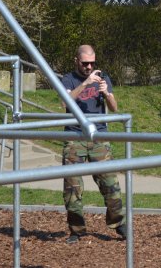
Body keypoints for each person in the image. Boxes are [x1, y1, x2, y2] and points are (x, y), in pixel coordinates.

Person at [61, 44, 126, 243]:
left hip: (99, 137)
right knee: (73, 188)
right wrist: (86, 83)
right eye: (85, 63)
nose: (89, 67)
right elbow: (65, 103)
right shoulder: (68, 79)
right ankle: (76, 230)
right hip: (75, 137)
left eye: (92, 63)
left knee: (110, 184)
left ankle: (119, 224)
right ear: (76, 61)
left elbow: (114, 108)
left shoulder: (103, 77)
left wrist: (106, 93)